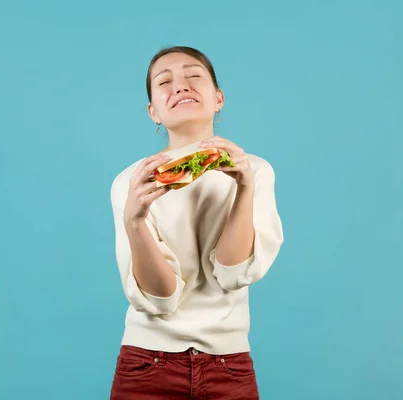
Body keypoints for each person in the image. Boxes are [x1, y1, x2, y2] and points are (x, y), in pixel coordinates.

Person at [108, 46, 284, 400]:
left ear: (218, 98)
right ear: (152, 111)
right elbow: (161, 299)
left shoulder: (255, 170)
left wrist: (244, 187)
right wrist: (134, 220)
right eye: (164, 81)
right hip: (146, 364)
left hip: (227, 365)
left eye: (194, 76)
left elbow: (233, 274)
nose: (181, 86)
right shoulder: (132, 181)